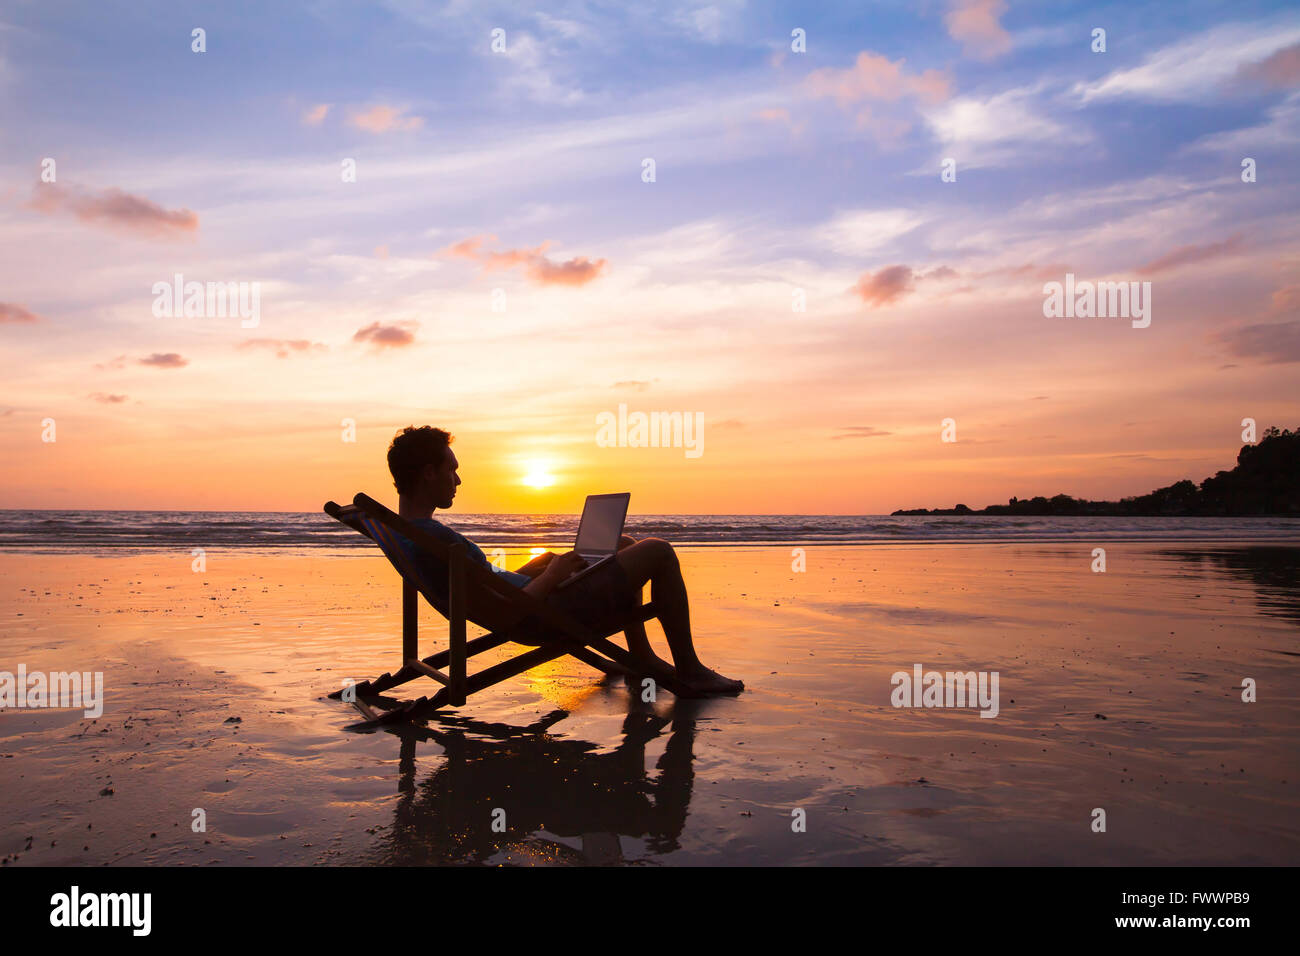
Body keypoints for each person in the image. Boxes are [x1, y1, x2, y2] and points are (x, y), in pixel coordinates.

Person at [387, 425, 743, 695]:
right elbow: (505, 613)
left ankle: (641, 657)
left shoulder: (407, 533)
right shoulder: (434, 538)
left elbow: (488, 588)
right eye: (451, 469)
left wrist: (540, 566)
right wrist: (553, 575)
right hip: (542, 615)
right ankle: (690, 670)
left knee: (623, 543)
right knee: (658, 551)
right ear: (429, 473)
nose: (459, 479)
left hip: (533, 598)